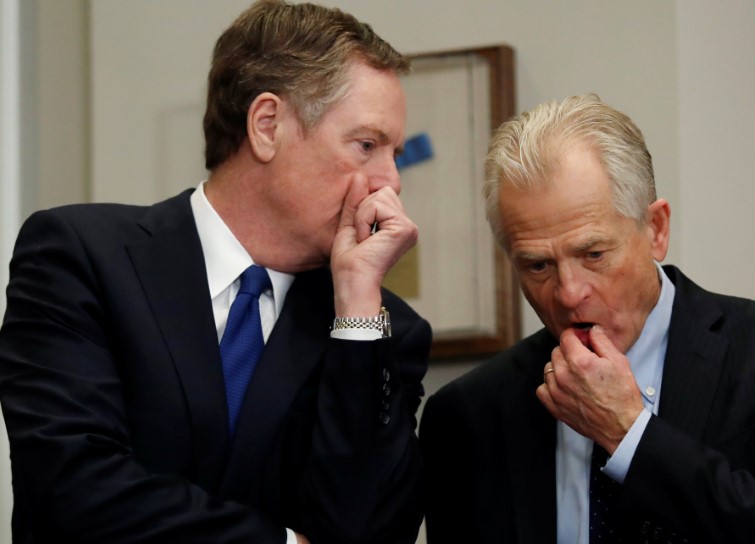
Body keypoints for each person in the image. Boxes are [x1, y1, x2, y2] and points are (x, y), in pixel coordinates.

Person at [0, 1, 431, 542]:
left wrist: (358, 311)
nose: (389, 181)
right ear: (267, 125)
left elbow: (371, 528)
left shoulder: (385, 328)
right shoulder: (82, 256)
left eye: (393, 153)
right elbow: (75, 487)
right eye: (367, 145)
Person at [420, 94, 755, 543]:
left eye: (593, 254)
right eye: (538, 265)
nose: (568, 293)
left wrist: (631, 435)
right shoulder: (467, 413)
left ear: (656, 230)